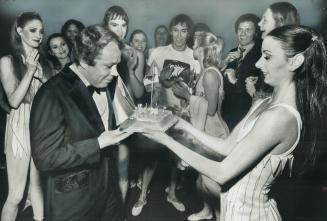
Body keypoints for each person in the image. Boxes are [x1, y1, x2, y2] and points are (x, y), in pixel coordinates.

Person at [138, 25, 327, 221]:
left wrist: (167, 141)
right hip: (232, 209)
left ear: (295, 62)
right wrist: (179, 123)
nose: (259, 64)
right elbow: (226, 147)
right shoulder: (264, 102)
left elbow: (221, 173)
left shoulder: (280, 117)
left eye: (268, 57)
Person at [30, 25, 132, 221]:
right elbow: (45, 157)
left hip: (108, 190)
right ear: (84, 61)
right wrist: (98, 143)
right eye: (108, 65)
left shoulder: (106, 82)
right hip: (72, 202)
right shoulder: (51, 94)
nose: (116, 73)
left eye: (117, 65)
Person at [131, 14, 200, 216]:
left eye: (184, 30)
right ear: (171, 31)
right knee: (151, 157)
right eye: (176, 30)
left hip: (181, 115)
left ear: (189, 33)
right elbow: (147, 85)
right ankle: (142, 195)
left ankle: (172, 193)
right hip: (159, 113)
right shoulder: (158, 53)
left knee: (176, 157)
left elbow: (195, 91)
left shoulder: (194, 56)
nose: (179, 35)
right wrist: (160, 80)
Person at [0, 12, 53, 221]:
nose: (39, 35)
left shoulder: (44, 62)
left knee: (37, 187)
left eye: (41, 31)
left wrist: (42, 74)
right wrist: (30, 71)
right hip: (20, 125)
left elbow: (52, 97)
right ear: (19, 31)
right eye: (33, 30)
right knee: (15, 194)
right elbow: (13, 100)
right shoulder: (7, 61)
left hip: (41, 125)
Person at [171, 31, 229, 221]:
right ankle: (207, 210)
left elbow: (211, 110)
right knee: (201, 180)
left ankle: (222, 216)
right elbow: (202, 101)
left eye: (195, 46)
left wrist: (188, 97)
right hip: (205, 130)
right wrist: (188, 96)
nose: (193, 49)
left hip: (214, 133)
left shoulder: (211, 74)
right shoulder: (205, 72)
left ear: (203, 49)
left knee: (211, 182)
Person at [102, 5, 145, 202]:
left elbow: (138, 92)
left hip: (123, 116)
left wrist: (130, 68)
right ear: (106, 25)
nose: (120, 30)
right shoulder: (97, 49)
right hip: (100, 114)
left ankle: (120, 213)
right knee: (100, 170)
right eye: (114, 24)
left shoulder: (133, 53)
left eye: (123, 25)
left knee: (122, 169)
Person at [221, 13, 262, 130]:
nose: (242, 34)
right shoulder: (232, 52)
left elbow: (257, 91)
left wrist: (234, 79)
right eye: (240, 29)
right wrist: (223, 63)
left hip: (247, 116)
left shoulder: (260, 56)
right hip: (226, 113)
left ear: (256, 32)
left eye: (248, 30)